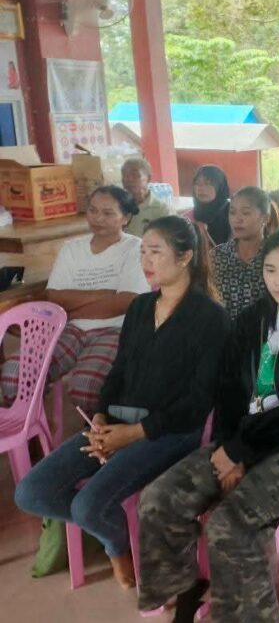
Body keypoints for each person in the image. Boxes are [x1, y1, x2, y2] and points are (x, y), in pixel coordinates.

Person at [136, 226, 279, 622]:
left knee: (229, 526)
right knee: (158, 499)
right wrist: (224, 446)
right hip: (245, 436)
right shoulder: (254, 319)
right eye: (270, 270)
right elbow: (230, 390)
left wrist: (239, 452)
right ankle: (185, 588)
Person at [15, 216, 227, 590]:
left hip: (170, 431)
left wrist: (132, 434)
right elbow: (118, 372)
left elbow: (197, 402)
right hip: (117, 422)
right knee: (31, 492)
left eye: (155, 252)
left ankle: (116, 545)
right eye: (142, 251)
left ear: (184, 258)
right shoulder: (141, 307)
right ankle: (121, 530)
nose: (146, 261)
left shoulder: (210, 317)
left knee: (87, 505)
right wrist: (100, 417)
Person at [0, 187, 150, 410]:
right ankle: (31, 425)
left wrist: (73, 307)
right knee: (14, 374)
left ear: (126, 218)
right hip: (69, 327)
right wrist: (107, 294)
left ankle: (97, 428)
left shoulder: (135, 248)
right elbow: (54, 297)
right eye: (92, 210)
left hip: (116, 329)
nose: (98, 218)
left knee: (86, 385)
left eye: (108, 213)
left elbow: (126, 301)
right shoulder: (72, 248)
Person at [213, 186, 278, 320]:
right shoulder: (216, 255)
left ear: (265, 218)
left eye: (246, 213)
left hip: (265, 331)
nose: (237, 219)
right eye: (232, 212)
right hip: (223, 330)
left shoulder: (277, 256)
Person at [121, 157, 172, 237]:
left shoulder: (162, 209)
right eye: (125, 175)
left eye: (134, 175)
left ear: (148, 178)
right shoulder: (117, 205)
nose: (129, 179)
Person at [192, 165, 232, 246]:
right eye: (197, 183)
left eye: (207, 183)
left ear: (219, 186)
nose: (201, 188)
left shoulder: (232, 213)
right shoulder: (189, 216)